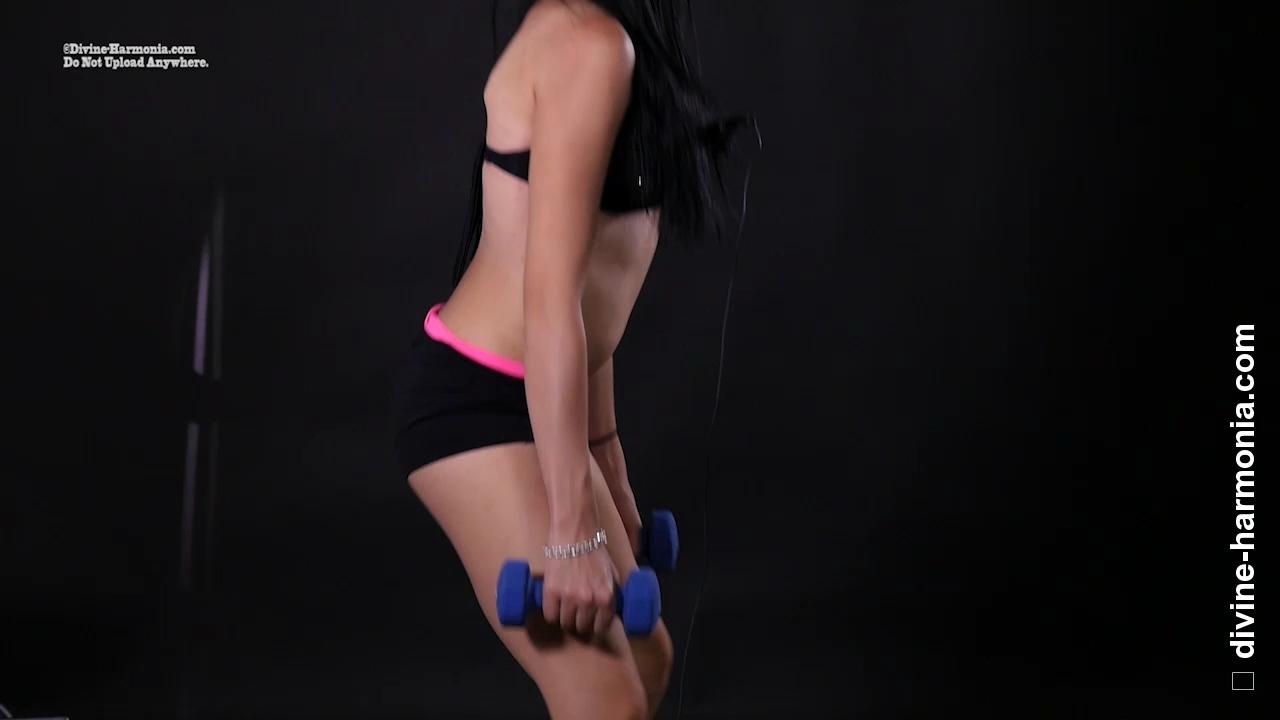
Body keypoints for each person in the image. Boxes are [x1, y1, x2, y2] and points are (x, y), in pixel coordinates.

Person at [392, 1, 745, 717]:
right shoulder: (587, 43)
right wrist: (568, 531)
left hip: (543, 403)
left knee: (645, 661)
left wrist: (605, 457)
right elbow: (550, 303)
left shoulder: (606, 38)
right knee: (605, 700)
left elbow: (584, 292)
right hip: (480, 402)